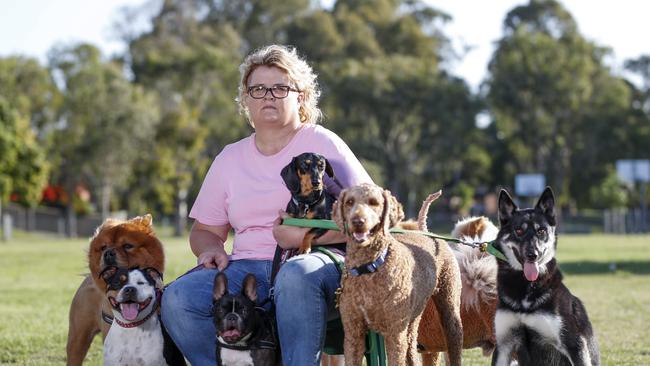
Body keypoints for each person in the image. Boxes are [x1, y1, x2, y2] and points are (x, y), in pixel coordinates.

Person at [161, 44, 372, 365]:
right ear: (245, 99)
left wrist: (305, 239)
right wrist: (211, 249)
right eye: (258, 89)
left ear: (300, 97)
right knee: (179, 297)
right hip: (246, 269)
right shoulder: (229, 158)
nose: (268, 96)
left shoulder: (322, 143)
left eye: (279, 88)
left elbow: (371, 211)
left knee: (294, 274)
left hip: (320, 264)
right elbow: (204, 231)